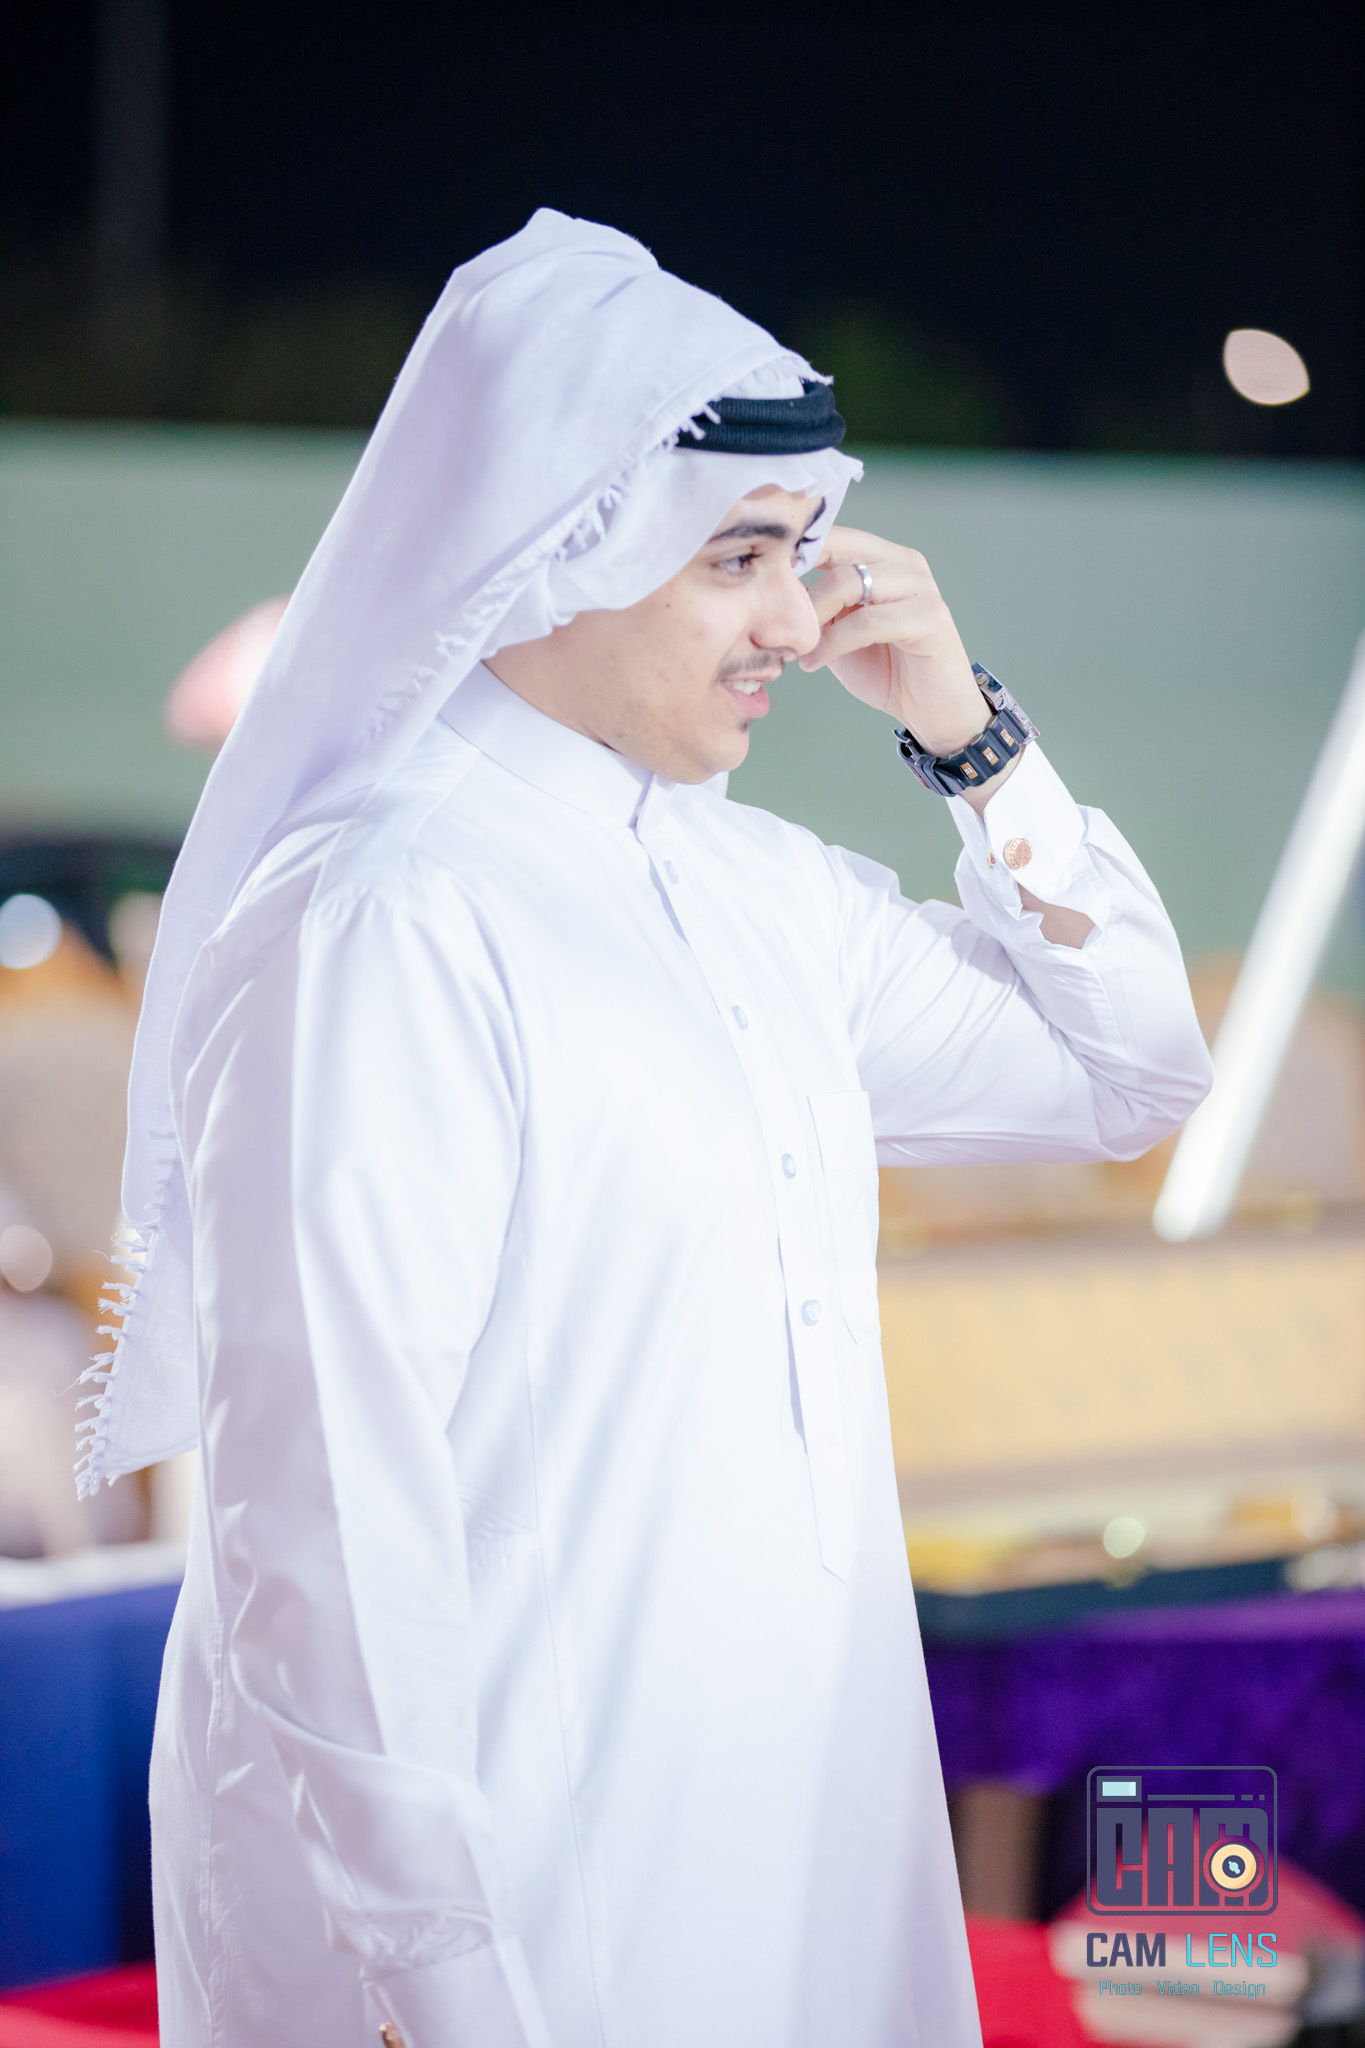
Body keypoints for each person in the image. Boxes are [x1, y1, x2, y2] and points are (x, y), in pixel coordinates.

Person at [82, 212, 1211, 2048]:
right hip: (515, 1904)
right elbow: (328, 1512)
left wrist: (972, 742)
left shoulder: (755, 889)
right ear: (556, 548)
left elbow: (1134, 1074)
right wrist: (435, 1981)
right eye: (739, 560)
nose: (798, 624)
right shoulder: (381, 913)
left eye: (805, 558)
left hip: (790, 1837)